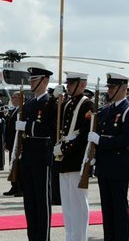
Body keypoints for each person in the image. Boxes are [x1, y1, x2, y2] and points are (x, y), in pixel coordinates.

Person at [87, 73, 129, 241]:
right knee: (107, 208)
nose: (109, 90)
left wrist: (101, 141)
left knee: (119, 207)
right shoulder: (107, 110)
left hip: (119, 166)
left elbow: (127, 139)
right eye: (108, 86)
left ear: (123, 89)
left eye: (112, 87)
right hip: (104, 165)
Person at [15, 67, 57, 241]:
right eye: (31, 79)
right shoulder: (30, 103)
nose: (31, 83)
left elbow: (48, 129)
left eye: (35, 80)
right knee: (30, 201)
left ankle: (43, 237)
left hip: (41, 154)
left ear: (45, 81)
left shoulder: (50, 102)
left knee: (42, 200)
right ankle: (32, 236)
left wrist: (27, 127)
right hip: (28, 154)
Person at [52, 72, 94, 241]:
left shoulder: (87, 104)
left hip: (76, 159)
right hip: (64, 159)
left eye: (71, 83)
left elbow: (84, 134)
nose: (68, 86)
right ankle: (70, 235)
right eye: (67, 83)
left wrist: (65, 147)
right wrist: (54, 100)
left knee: (78, 203)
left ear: (82, 85)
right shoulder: (68, 103)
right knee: (67, 204)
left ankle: (79, 237)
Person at [4, 91, 24, 197]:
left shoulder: (22, 110)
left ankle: (20, 187)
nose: (12, 99)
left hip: (18, 143)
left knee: (18, 166)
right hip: (12, 142)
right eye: (12, 97)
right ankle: (14, 185)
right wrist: (6, 143)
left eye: (14, 97)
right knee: (12, 165)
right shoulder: (14, 110)